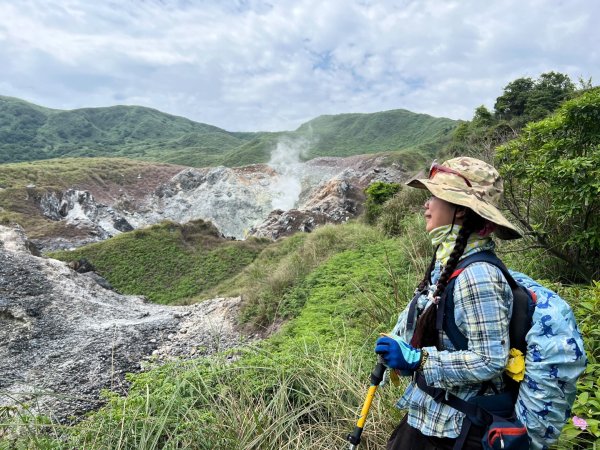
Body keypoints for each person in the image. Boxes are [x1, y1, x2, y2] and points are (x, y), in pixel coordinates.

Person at [374, 157, 523, 450]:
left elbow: (489, 360)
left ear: (461, 212)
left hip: (457, 431)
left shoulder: (478, 276)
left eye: (436, 196)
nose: (426, 205)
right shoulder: (448, 263)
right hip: (432, 417)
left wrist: (419, 360)